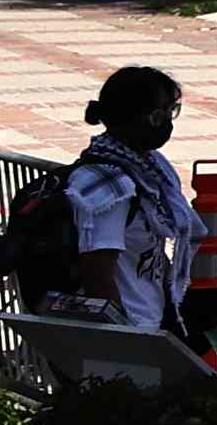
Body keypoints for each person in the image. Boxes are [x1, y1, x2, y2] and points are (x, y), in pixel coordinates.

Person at [35, 65, 202, 336]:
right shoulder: (107, 188)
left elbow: (148, 251)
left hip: (152, 322)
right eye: (161, 115)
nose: (168, 123)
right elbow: (98, 277)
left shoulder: (149, 169)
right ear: (135, 119)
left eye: (173, 111)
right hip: (130, 332)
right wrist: (122, 340)